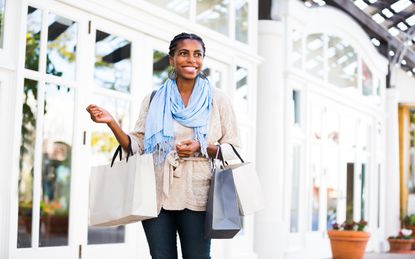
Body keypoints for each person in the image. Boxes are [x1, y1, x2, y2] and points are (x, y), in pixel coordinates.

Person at [86, 32, 240, 259]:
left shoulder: (218, 99)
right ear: (171, 59)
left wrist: (201, 147)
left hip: (197, 194)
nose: (191, 60)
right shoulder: (153, 99)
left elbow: (233, 148)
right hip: (157, 193)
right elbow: (137, 145)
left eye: (197, 54)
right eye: (183, 54)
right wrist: (112, 123)